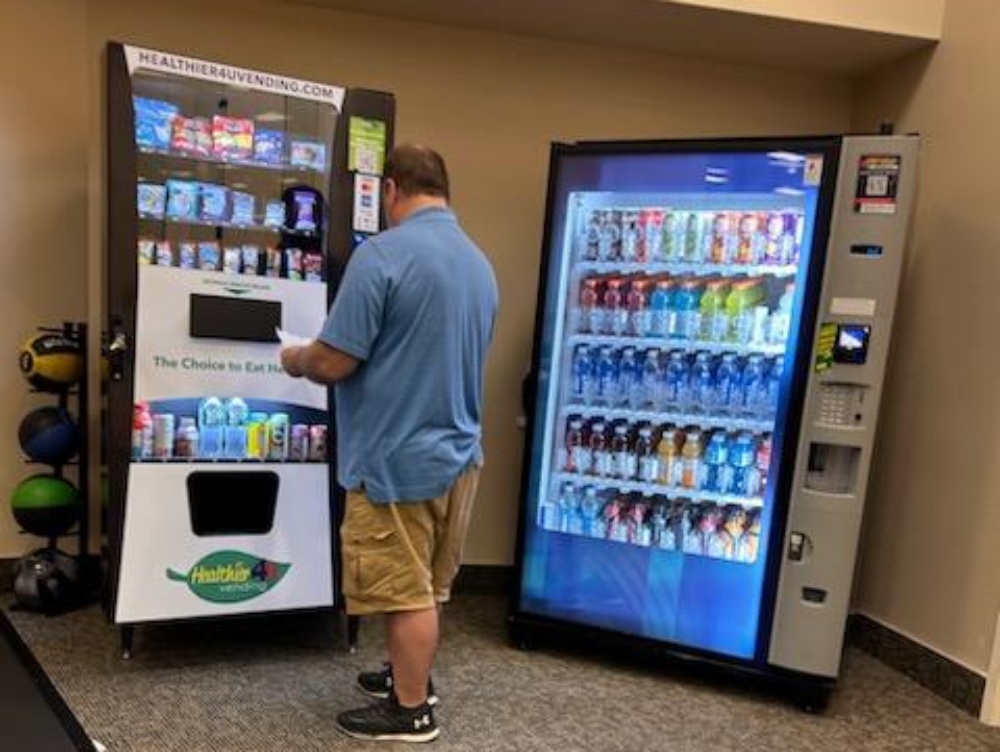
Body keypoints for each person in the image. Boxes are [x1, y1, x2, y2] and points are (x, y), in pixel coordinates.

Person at [280, 143, 498, 743]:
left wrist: (296, 356)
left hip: (396, 460)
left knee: (404, 593)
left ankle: (410, 710)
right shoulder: (478, 263)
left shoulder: (382, 256)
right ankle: (408, 673)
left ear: (393, 190)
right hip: (459, 457)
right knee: (426, 586)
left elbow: (334, 361)